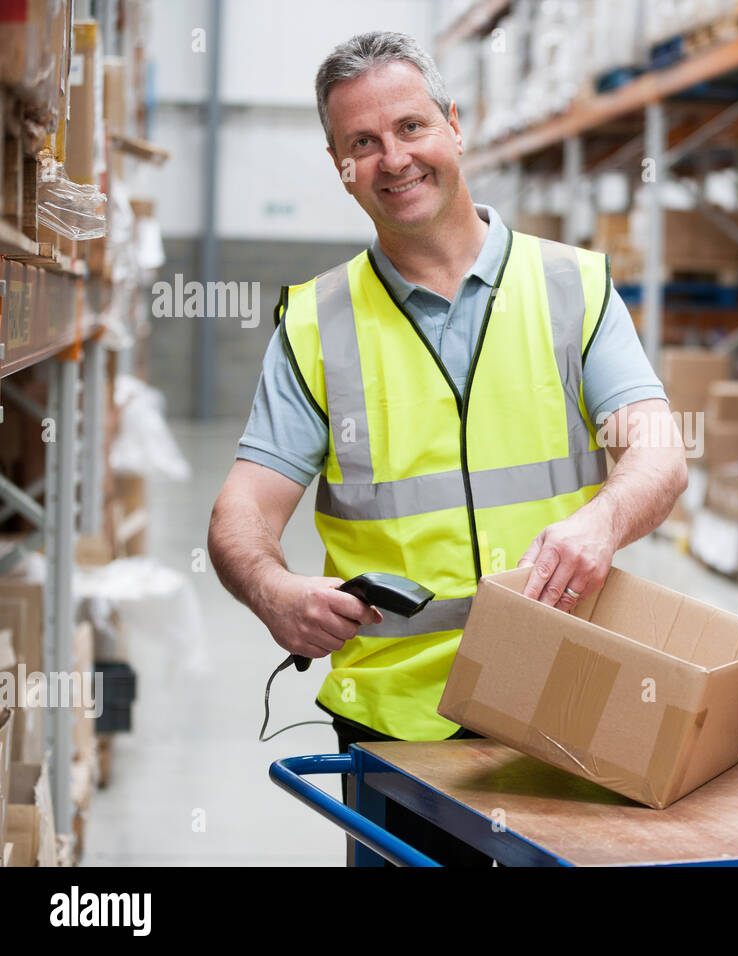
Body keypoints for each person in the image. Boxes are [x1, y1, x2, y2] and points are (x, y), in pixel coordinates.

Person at [207, 31, 687, 865]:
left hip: (562, 697)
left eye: (411, 127)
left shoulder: (572, 286)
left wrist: (602, 525)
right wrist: (272, 589)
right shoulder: (318, 324)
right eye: (363, 143)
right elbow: (241, 510)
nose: (393, 158)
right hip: (398, 734)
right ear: (339, 164)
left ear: (455, 127)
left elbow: (657, 452)